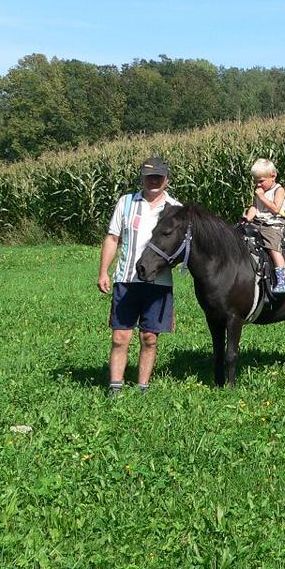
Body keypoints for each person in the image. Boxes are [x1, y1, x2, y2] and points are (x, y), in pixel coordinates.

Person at [98, 156, 182, 395]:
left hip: (158, 283)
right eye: (149, 177)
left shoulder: (176, 208)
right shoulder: (126, 202)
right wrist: (103, 271)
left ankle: (142, 387)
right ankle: (115, 387)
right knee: (120, 337)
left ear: (167, 179)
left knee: (149, 338)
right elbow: (112, 238)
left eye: (158, 177)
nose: (154, 181)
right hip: (126, 280)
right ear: (142, 178)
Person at [240, 158, 285, 293]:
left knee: (272, 246)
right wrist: (248, 218)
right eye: (256, 181)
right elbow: (255, 207)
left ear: (273, 176)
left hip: (274, 223)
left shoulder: (279, 190)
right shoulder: (260, 191)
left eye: (261, 181)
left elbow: (275, 209)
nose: (258, 184)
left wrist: (262, 197)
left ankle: (283, 279)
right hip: (259, 222)